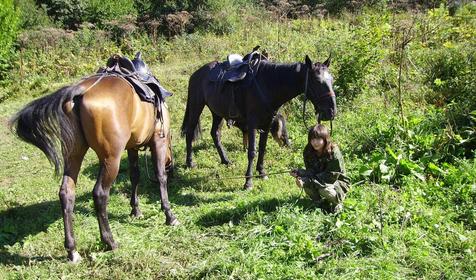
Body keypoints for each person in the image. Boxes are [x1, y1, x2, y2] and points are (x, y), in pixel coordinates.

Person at [290, 124, 350, 212]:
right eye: (312, 139)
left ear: (325, 139)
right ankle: (319, 203)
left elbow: (330, 177)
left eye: (318, 139)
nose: (315, 142)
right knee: (306, 185)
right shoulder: (308, 151)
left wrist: (306, 180)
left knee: (324, 190)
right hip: (319, 178)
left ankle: (337, 202)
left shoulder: (333, 153)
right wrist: (299, 173)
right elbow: (311, 171)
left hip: (336, 181)